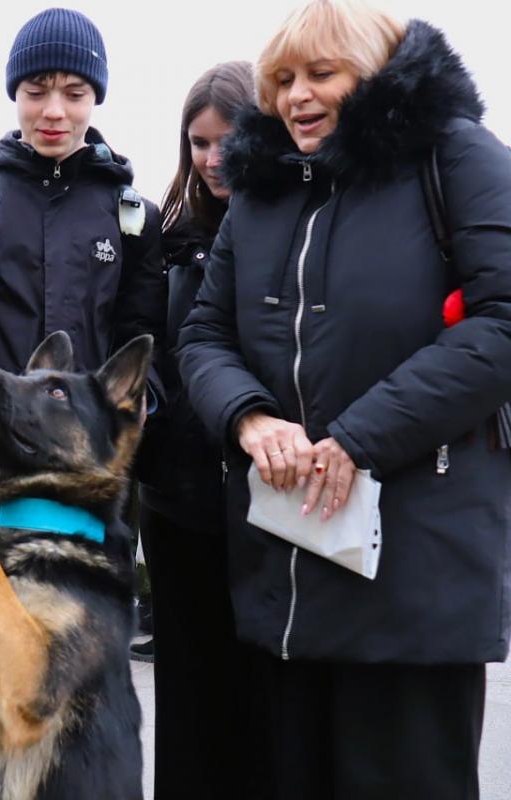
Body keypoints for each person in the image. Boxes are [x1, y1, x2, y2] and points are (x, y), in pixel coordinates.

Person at [178, 1, 511, 797]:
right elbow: (202, 333)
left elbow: (502, 322)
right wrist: (248, 416)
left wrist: (358, 436)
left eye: (321, 74)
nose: (297, 96)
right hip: (286, 573)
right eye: (283, 80)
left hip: (415, 575)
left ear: (377, 74)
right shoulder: (259, 191)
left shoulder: (458, 157)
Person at [0, 6, 166, 502]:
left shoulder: (133, 216)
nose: (54, 111)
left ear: (95, 99)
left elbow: (147, 344)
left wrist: (122, 416)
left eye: (75, 93)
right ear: (15, 94)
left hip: (89, 486)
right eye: (36, 91)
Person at [133, 60, 255, 800]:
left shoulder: (292, 230)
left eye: (228, 141)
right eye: (198, 142)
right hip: (176, 506)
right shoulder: (166, 235)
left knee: (259, 696)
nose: (212, 159)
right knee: (183, 692)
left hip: (262, 506)